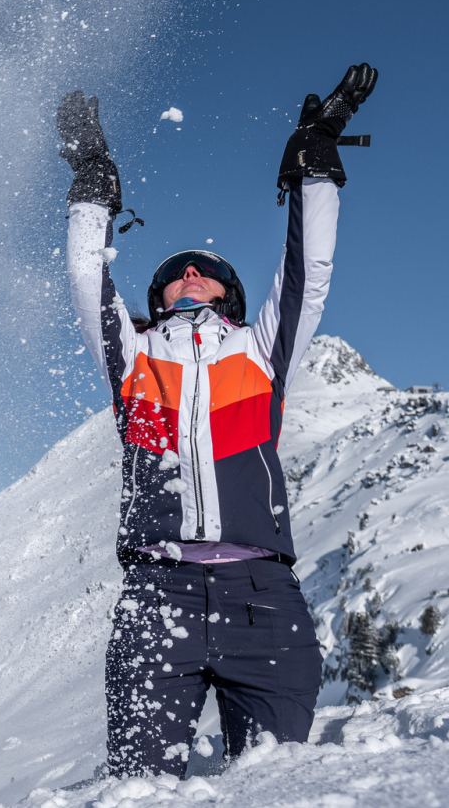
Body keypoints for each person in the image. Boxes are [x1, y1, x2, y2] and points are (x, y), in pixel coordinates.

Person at [55, 65, 378, 776]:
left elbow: (309, 274)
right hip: (156, 595)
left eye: (204, 270)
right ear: (159, 297)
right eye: (177, 272)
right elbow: (86, 279)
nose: (190, 274)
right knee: (137, 791)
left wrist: (315, 162)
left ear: (229, 296)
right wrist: (92, 183)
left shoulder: (260, 352)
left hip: (263, 599)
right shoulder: (133, 358)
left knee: (276, 785)